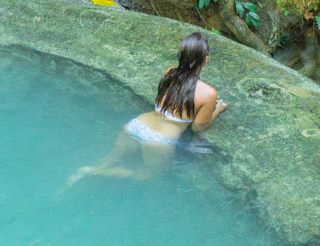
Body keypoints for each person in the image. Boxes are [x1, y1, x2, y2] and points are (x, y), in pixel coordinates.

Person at [67, 31, 227, 183]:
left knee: (109, 160)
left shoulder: (169, 73)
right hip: (159, 139)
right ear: (205, 60)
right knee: (148, 175)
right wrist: (217, 111)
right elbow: (198, 127)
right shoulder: (208, 93)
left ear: (181, 56)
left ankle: (92, 169)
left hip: (137, 124)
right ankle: (97, 173)